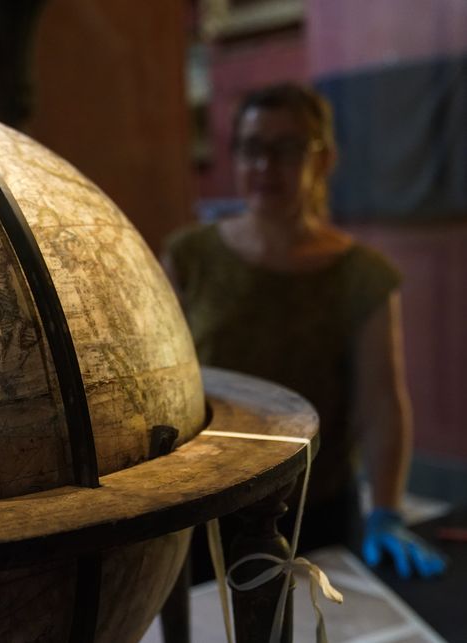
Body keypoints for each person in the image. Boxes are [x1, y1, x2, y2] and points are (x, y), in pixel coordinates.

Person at [162, 82, 446, 579]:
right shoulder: (190, 258)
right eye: (253, 148)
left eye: (288, 148)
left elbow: (381, 404)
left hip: (317, 505)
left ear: (324, 158)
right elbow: (166, 386)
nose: (267, 167)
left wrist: (386, 509)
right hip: (208, 504)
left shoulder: (363, 273)